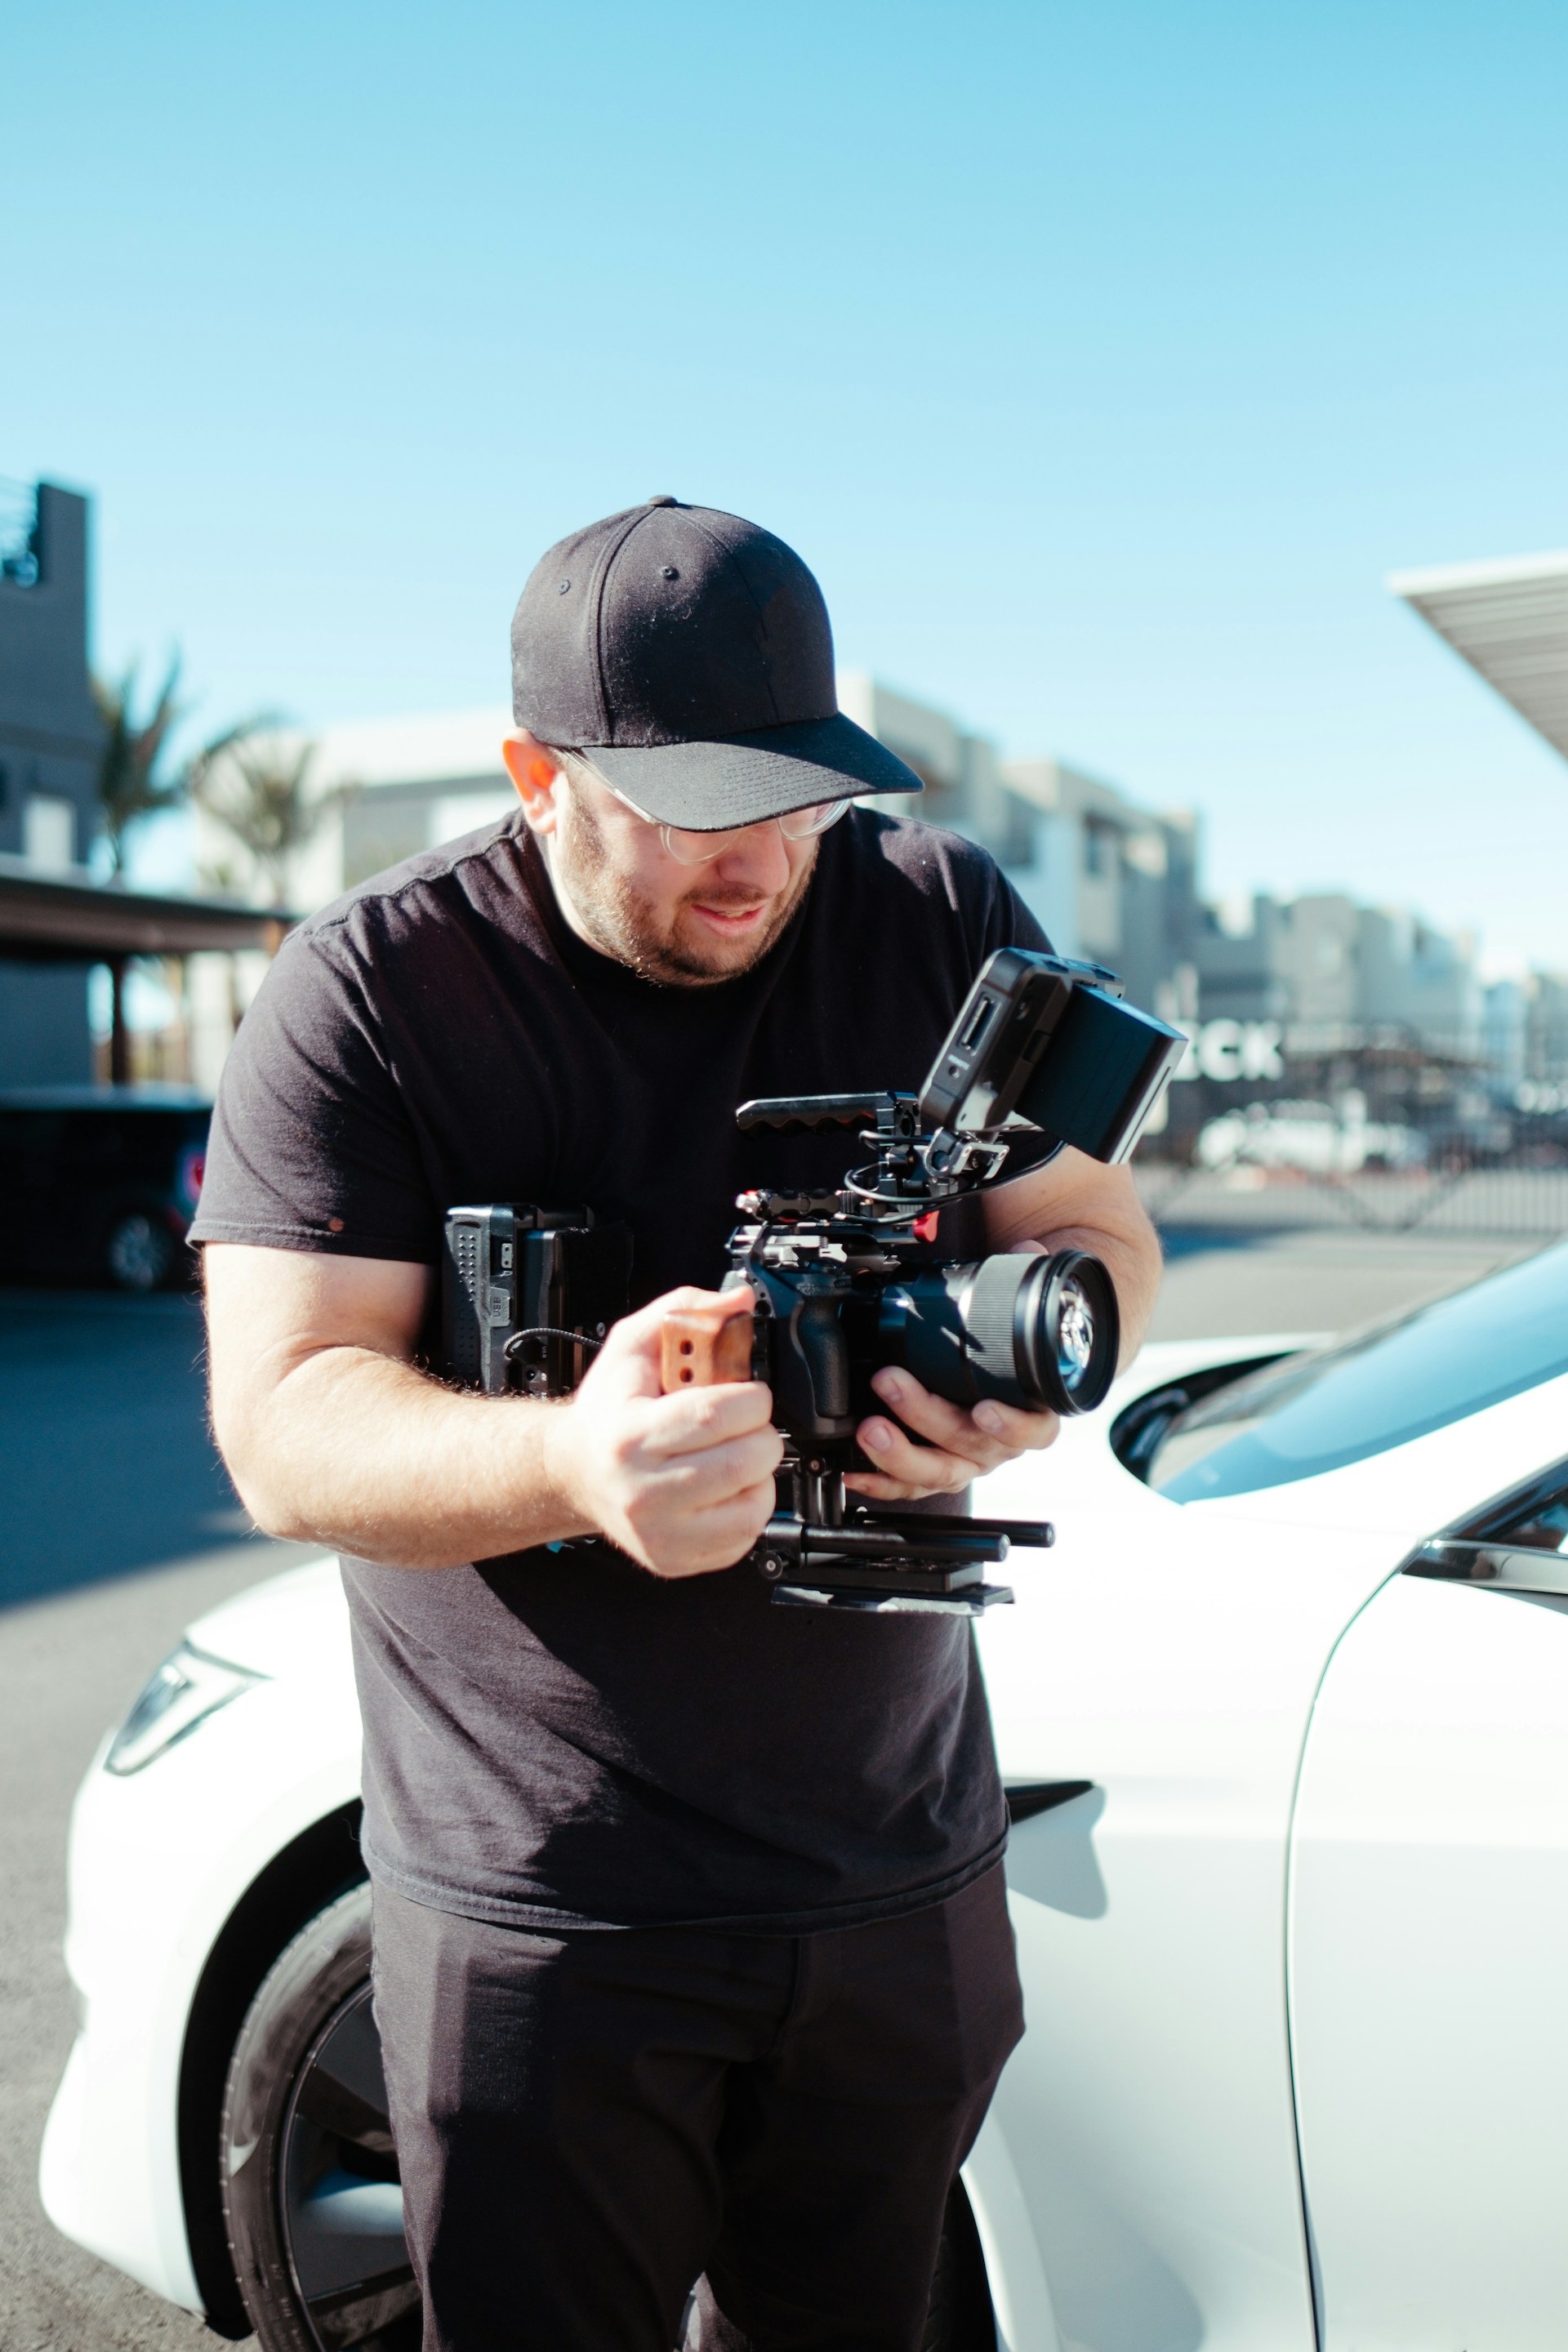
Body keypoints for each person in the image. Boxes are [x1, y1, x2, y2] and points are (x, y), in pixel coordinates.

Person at [194, 497, 1160, 2352]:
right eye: (699, 809)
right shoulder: (375, 991)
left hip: (898, 1876)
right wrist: (568, 1462)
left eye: (800, 797)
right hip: (551, 1914)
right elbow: (284, 1420)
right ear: (533, 772)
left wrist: (1020, 1391)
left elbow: (1095, 1237)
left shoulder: (938, 909)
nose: (766, 861)